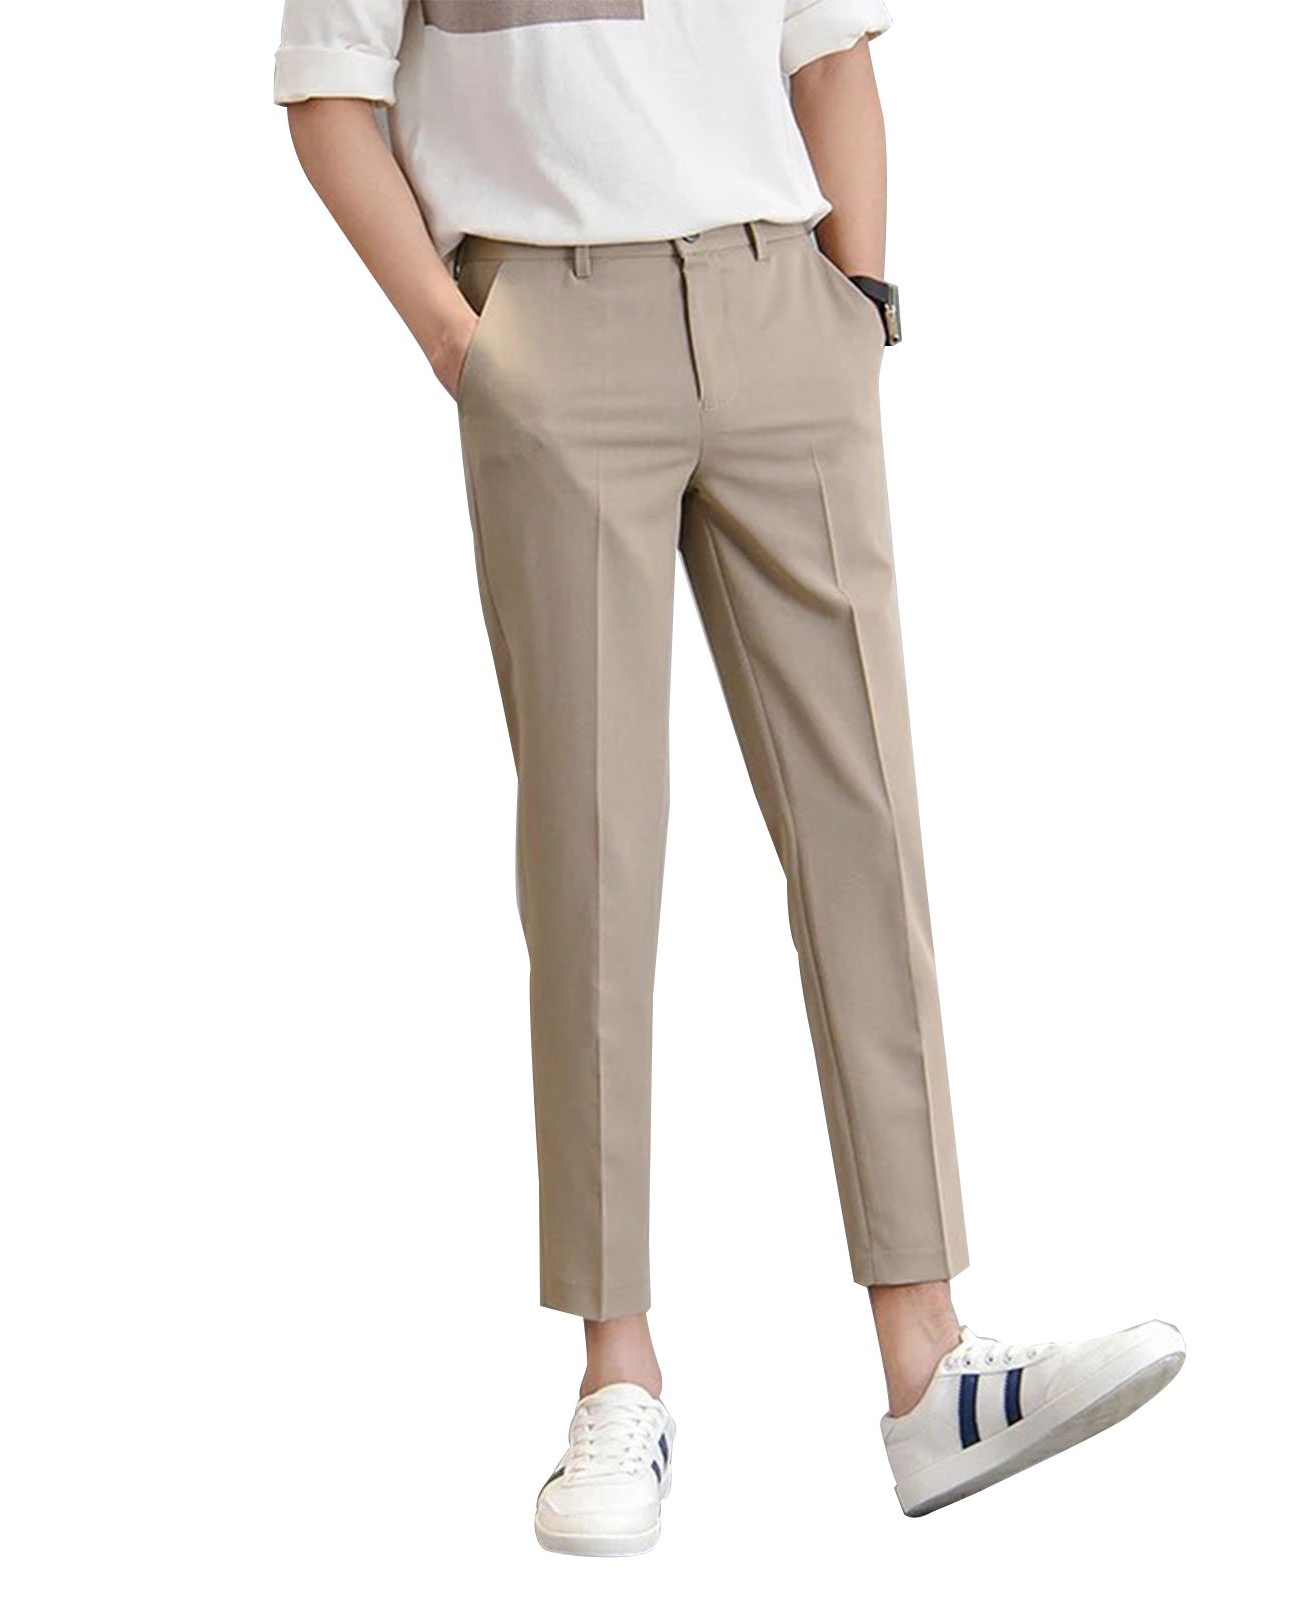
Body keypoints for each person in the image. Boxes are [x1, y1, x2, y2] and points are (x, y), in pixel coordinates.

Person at [274, 0, 1183, 1556]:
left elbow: (829, 50)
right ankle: (615, 1371)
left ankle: (928, 1362)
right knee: (594, 854)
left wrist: (859, 300)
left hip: (785, 308)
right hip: (548, 325)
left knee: (865, 830)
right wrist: (463, 342)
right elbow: (326, 95)